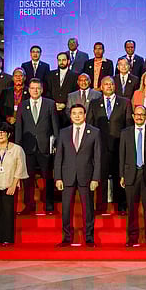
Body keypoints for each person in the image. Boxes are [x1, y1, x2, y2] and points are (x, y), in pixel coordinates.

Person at [54, 104, 101, 247]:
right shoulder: (63, 132)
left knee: (88, 209)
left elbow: (97, 157)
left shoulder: (94, 132)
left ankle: (89, 238)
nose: (77, 116)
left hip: (86, 176)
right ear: (70, 115)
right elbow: (59, 156)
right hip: (67, 176)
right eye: (74, 113)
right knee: (66, 209)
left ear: (85, 115)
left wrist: (95, 178)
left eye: (80, 113)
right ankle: (67, 238)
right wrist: (58, 177)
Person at [87, 76, 133, 215]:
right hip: (100, 147)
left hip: (119, 146)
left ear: (115, 86)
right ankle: (101, 206)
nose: (109, 86)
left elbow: (128, 126)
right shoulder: (94, 103)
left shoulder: (125, 102)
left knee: (120, 176)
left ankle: (121, 206)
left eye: (111, 84)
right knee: (101, 176)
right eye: (106, 84)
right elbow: (90, 125)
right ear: (101, 87)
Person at [119, 105, 146, 247]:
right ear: (133, 116)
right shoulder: (125, 133)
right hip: (130, 174)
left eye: (142, 114)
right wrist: (122, 175)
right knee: (132, 209)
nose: (139, 117)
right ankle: (132, 239)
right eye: (137, 114)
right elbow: (122, 155)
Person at [14, 78, 59, 215]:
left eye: (38, 88)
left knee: (47, 178)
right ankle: (29, 205)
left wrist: (56, 144)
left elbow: (55, 126)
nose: (35, 90)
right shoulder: (22, 105)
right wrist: (17, 147)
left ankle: (49, 205)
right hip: (27, 148)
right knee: (28, 179)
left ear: (42, 90)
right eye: (33, 88)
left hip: (45, 147)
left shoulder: (50, 104)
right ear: (29, 90)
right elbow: (19, 128)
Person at [45, 51, 79, 127]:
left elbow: (75, 93)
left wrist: (65, 104)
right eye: (59, 60)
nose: (61, 62)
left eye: (63, 60)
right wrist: (54, 104)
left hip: (67, 111)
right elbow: (48, 91)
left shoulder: (75, 76)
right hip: (53, 110)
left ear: (68, 61)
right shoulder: (51, 74)